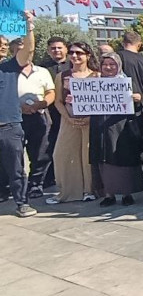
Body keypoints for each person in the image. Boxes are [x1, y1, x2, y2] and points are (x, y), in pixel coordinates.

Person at [48, 42, 101, 204]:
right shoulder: (62, 76)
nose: (75, 56)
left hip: (91, 121)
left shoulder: (97, 76)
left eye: (79, 53)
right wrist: (68, 118)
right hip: (69, 120)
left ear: (88, 55)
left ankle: (89, 190)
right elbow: (58, 101)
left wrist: (90, 117)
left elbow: (102, 101)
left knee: (87, 156)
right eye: (71, 52)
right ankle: (68, 191)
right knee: (62, 155)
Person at [90, 53, 143, 207]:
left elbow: (140, 104)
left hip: (122, 128)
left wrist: (137, 99)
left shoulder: (127, 82)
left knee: (122, 158)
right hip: (101, 127)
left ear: (119, 65)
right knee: (104, 161)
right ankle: (109, 194)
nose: (108, 67)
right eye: (105, 64)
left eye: (112, 64)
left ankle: (127, 194)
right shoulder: (94, 84)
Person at [0, 11, 38, 216]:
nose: (3, 47)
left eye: (5, 45)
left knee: (16, 168)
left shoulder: (9, 67)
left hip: (9, 127)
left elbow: (28, 51)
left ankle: (22, 203)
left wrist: (29, 26)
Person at [17, 44, 56, 199]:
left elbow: (50, 92)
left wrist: (41, 104)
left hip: (39, 115)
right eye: (19, 50)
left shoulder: (43, 71)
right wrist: (19, 107)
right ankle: (14, 186)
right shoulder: (7, 72)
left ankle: (35, 184)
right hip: (15, 117)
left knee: (40, 152)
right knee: (13, 153)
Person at [39, 36, 70, 191]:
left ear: (66, 49)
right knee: (49, 146)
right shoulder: (42, 68)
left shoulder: (73, 66)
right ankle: (48, 178)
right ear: (48, 50)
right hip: (50, 113)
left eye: (59, 47)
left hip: (71, 113)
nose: (56, 50)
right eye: (53, 48)